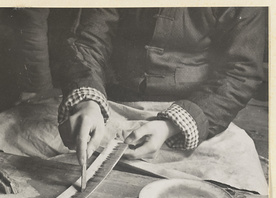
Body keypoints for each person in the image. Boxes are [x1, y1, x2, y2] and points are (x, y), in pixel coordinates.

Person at [57, 7, 266, 169]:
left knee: (240, 162)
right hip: (110, 107)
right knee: (30, 137)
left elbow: (241, 71)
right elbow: (88, 42)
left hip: (193, 114)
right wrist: (88, 101)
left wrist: (170, 126)